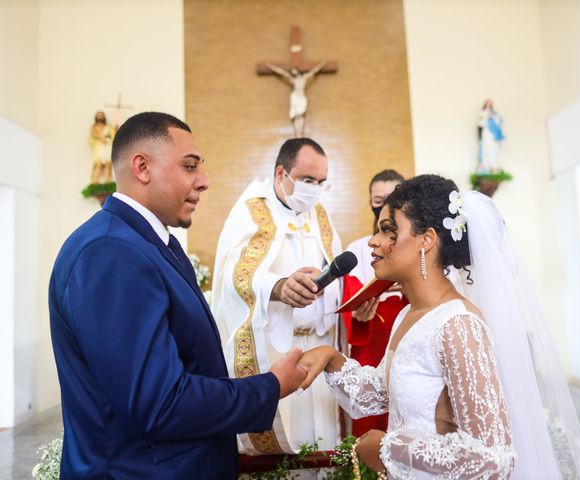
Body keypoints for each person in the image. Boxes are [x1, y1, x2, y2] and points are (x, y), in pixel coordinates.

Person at [49, 112, 307, 480]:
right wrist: (268, 387)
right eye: (190, 167)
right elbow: (158, 403)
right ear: (142, 167)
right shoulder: (111, 251)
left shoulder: (147, 243)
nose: (204, 182)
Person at [299, 174, 580, 479]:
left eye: (389, 231)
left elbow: (492, 459)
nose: (374, 242)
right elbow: (381, 392)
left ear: (426, 240)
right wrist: (331, 359)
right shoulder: (408, 316)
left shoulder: (458, 325)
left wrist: (388, 448)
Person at [211, 138, 342, 458]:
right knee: (281, 450)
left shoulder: (320, 214)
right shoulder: (250, 211)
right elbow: (229, 277)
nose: (315, 189)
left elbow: (339, 269)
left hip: (320, 350)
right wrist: (278, 286)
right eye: (308, 180)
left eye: (322, 182)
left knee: (323, 446)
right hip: (274, 351)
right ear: (281, 172)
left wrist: (327, 285)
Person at [342, 169, 407, 436]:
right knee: (371, 420)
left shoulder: (416, 246)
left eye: (392, 198)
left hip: (405, 330)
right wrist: (359, 313)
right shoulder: (358, 248)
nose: (384, 207)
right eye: (378, 201)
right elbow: (350, 295)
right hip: (371, 338)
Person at [267, 63, 325, 137]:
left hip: (302, 97)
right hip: (295, 97)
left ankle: (301, 132)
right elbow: (281, 72)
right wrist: (272, 67)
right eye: (292, 72)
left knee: (301, 115)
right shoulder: (292, 79)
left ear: (298, 71)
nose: (294, 73)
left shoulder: (304, 77)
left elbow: (313, 72)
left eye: (295, 71)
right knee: (296, 115)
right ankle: (297, 133)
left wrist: (321, 66)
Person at [89, 110, 117, 183]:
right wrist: (100, 138)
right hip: (99, 148)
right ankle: (94, 184)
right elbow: (93, 134)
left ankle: (107, 184)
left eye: (101, 115)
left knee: (108, 166)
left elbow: (114, 136)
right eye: (98, 115)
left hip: (107, 147)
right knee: (97, 166)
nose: (100, 117)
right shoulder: (94, 127)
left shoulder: (108, 127)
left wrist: (116, 130)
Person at [477, 99, 504, 172]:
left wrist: (493, 117)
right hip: (486, 133)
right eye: (487, 103)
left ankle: (493, 165)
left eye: (490, 104)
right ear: (485, 104)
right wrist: (487, 118)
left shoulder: (495, 113)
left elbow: (499, 122)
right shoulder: (482, 113)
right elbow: (480, 123)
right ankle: (485, 166)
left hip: (493, 135)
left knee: (493, 149)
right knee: (485, 148)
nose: (488, 105)